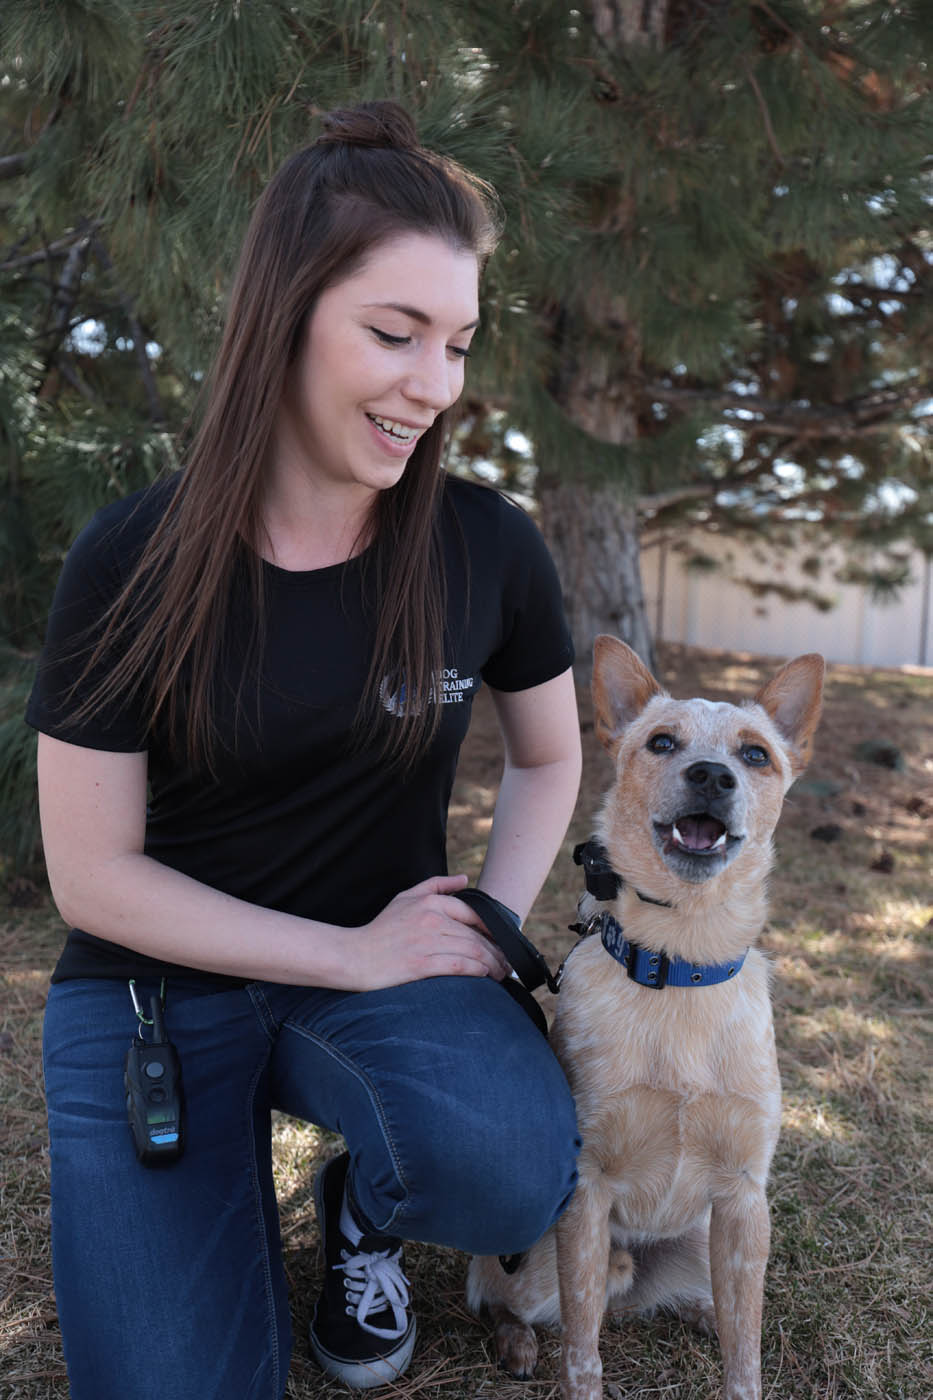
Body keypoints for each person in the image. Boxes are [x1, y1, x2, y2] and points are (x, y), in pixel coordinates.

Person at [27, 101, 582, 1400]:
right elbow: (93, 875)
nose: (433, 385)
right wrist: (343, 951)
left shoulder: (484, 546)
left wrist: (483, 922)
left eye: (455, 343)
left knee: (505, 1171)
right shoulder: (132, 558)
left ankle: (361, 1209)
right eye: (393, 335)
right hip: (155, 986)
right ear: (282, 314)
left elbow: (551, 757)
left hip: (386, 973)